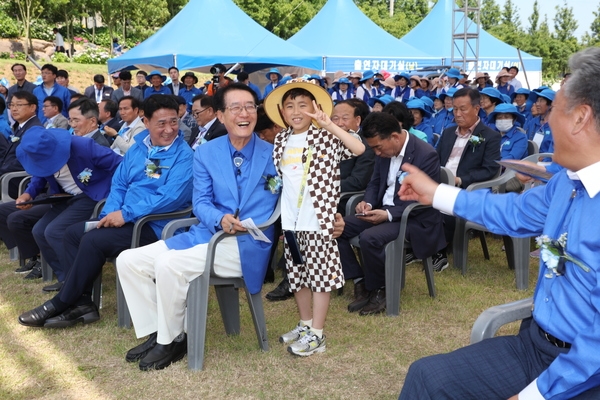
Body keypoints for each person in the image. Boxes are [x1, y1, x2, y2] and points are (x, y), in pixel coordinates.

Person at [398, 46, 600, 400]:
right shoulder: (567, 182)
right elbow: (514, 213)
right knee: (427, 378)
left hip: (585, 372)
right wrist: (436, 194)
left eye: (554, 110)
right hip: (535, 346)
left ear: (581, 118)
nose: (547, 120)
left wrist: (534, 395)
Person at [115, 83, 278, 371]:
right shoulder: (205, 153)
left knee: (169, 264)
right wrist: (218, 218)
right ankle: (162, 333)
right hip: (206, 234)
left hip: (247, 243)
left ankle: (171, 341)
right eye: (235, 107)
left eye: (250, 106)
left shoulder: (274, 153)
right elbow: (200, 202)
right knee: (128, 260)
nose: (244, 113)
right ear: (221, 115)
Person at [18, 95, 193, 329]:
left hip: (155, 225)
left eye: (174, 122)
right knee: (71, 234)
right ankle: (82, 304)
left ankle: (61, 302)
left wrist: (124, 214)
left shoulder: (184, 155)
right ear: (146, 121)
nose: (169, 129)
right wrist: (108, 214)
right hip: (128, 219)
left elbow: (171, 197)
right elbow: (119, 183)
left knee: (92, 241)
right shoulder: (139, 148)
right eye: (161, 123)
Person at [264, 77, 365, 356]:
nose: (296, 111)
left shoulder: (326, 135)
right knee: (298, 275)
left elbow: (358, 149)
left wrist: (328, 123)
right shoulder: (282, 138)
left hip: (319, 220)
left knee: (321, 276)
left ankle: (318, 335)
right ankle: (305, 323)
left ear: (315, 107)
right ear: (282, 112)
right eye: (289, 106)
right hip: (292, 222)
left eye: (302, 105)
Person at [337, 112, 446, 315]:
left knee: (370, 237)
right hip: (382, 211)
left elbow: (422, 197)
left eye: (378, 147)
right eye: (373, 148)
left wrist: (387, 215)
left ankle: (381, 290)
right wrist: (367, 202)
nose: (376, 153)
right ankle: (360, 280)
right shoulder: (384, 153)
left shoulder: (425, 154)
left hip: (413, 217)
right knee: (336, 227)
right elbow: (375, 182)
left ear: (395, 137)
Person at [12, 126, 122, 291]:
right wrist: (28, 194)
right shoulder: (39, 156)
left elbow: (120, 166)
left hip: (94, 196)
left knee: (55, 231)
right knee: (39, 231)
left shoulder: (84, 146)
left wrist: (115, 197)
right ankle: (65, 277)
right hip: (65, 197)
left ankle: (78, 283)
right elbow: (39, 175)